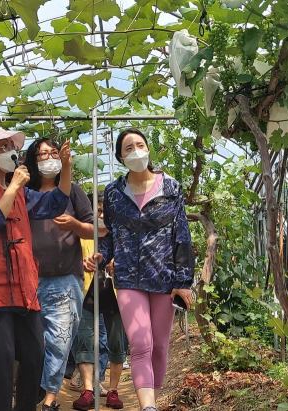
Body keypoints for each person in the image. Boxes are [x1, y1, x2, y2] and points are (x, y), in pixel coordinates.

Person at [0, 125, 73, 411]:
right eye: (4, 146)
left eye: (13, 145)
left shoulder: (24, 195)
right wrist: (13, 186)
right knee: (1, 361)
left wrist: (66, 169)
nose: (12, 151)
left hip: (24, 288)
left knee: (35, 355)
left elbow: (56, 202)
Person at [84, 129, 195, 411]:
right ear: (121, 157)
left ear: (148, 149)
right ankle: (148, 407)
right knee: (141, 343)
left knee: (159, 346)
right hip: (128, 279)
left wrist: (183, 281)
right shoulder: (113, 193)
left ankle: (151, 401)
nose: (135, 150)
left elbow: (181, 235)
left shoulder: (170, 187)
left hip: (164, 278)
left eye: (140, 144)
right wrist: (101, 256)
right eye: (128, 147)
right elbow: (110, 236)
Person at [23, 137, 94, 411]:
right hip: (28, 279)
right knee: (30, 343)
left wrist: (75, 224)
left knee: (60, 340)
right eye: (43, 154)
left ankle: (50, 400)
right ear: (33, 160)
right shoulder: (24, 193)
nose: (50, 157)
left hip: (65, 278)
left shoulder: (73, 192)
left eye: (54, 152)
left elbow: (92, 230)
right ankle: (33, 389)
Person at [72, 191, 127, 411]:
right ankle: (88, 390)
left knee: (116, 342)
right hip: (87, 293)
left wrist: (117, 265)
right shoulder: (82, 234)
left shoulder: (122, 236)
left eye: (105, 211)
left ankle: (112, 391)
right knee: (84, 340)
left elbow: (134, 263)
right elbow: (70, 259)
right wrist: (82, 263)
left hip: (116, 296)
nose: (101, 215)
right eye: (98, 211)